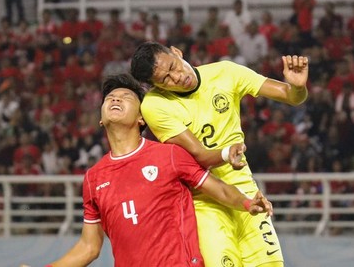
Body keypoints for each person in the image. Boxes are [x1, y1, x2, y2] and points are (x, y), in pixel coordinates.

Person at [47, 74, 273, 266]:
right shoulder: (93, 178)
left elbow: (219, 190)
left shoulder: (170, 155)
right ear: (100, 119)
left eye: (126, 97)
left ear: (141, 118)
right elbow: (89, 247)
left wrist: (247, 202)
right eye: (110, 98)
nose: (116, 98)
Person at [131, 42, 309, 267]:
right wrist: (226, 153)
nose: (176, 77)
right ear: (155, 86)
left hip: (247, 193)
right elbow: (199, 156)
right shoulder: (155, 105)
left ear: (177, 52)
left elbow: (290, 96)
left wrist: (298, 88)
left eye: (174, 66)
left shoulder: (226, 72)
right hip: (205, 203)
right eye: (165, 79)